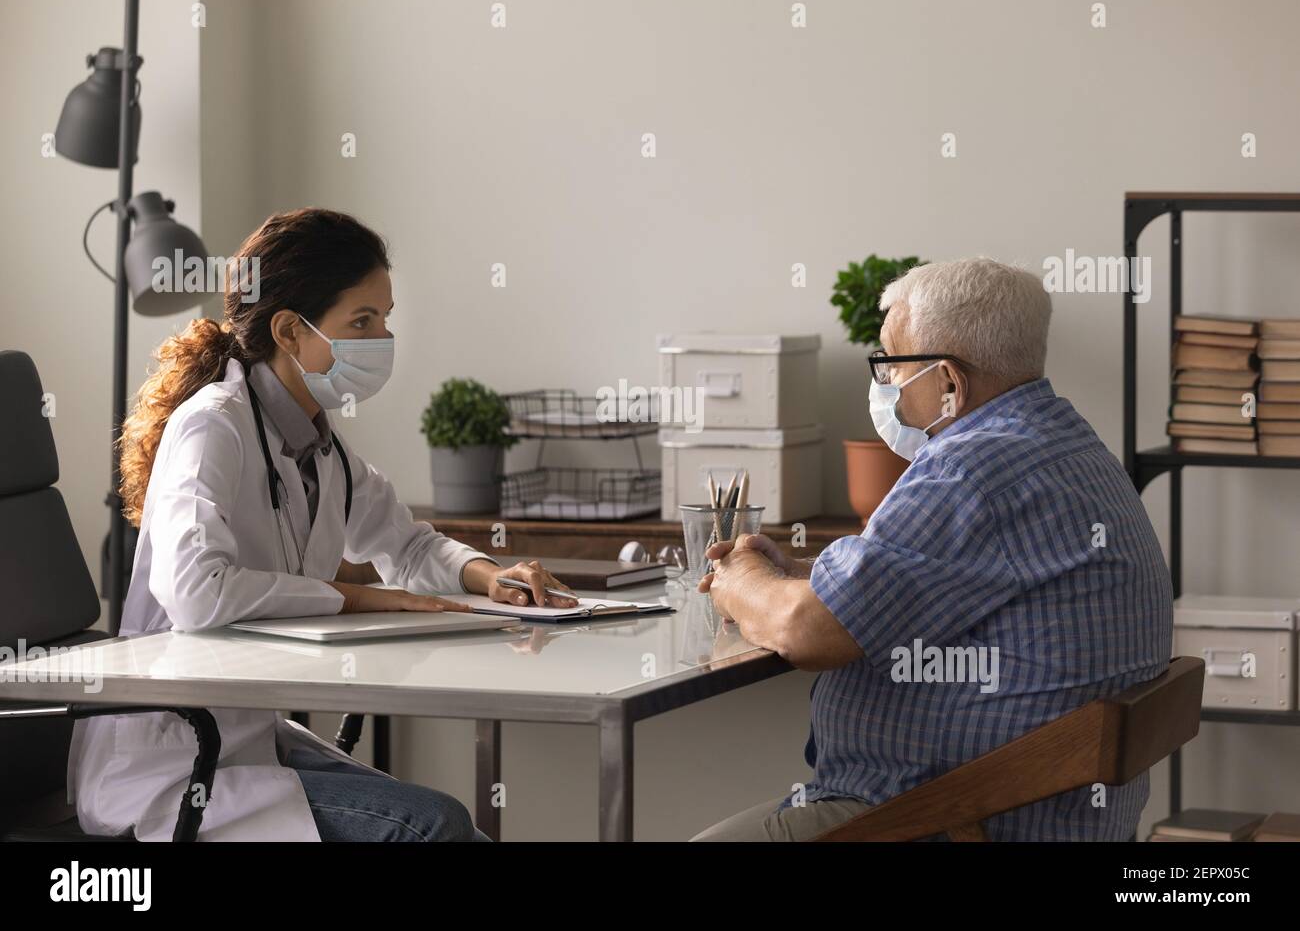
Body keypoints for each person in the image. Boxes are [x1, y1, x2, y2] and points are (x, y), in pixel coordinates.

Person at [69, 208, 574, 841]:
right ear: (288, 330)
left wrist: (489, 575)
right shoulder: (213, 424)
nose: (382, 337)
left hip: (242, 739)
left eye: (385, 317)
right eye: (362, 321)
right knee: (435, 826)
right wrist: (356, 596)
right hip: (169, 758)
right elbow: (196, 593)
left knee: (460, 831)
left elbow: (407, 544)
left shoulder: (319, 446)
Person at [692, 257, 1173, 841]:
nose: (884, 386)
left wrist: (739, 575)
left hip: (954, 820)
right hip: (1028, 812)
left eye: (890, 365)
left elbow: (805, 632)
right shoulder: (1061, 443)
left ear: (948, 382)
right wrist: (809, 574)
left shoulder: (971, 467)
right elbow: (958, 577)